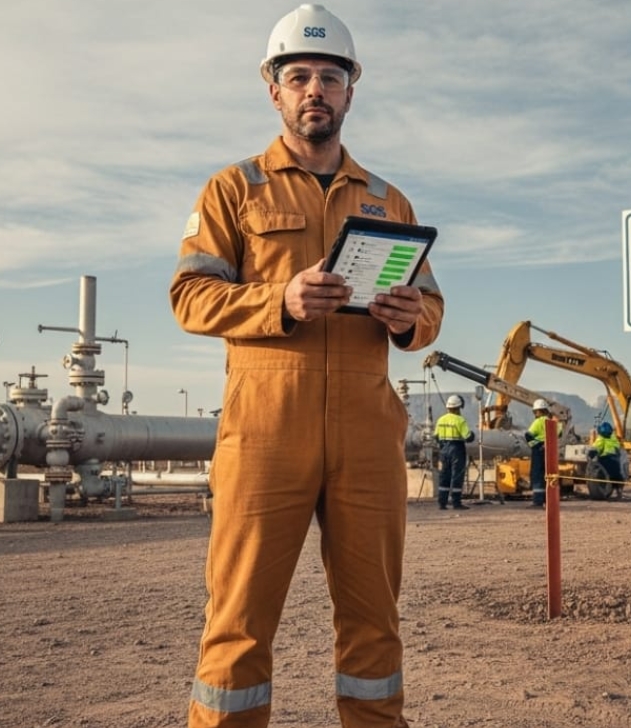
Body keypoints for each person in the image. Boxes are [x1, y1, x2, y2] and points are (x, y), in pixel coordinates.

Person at [168, 5, 444, 727]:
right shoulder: (234, 189)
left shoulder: (389, 202)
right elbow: (190, 297)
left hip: (367, 438)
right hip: (265, 435)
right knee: (238, 624)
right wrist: (280, 300)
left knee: (374, 624)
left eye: (329, 76)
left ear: (351, 91)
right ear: (274, 91)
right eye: (299, 77)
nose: (314, 89)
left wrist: (409, 318)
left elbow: (433, 309)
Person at [433, 394, 475, 510]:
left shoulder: (441, 419)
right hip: (457, 449)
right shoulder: (460, 420)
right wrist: (472, 435)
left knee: (444, 475)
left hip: (444, 449)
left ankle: (442, 503)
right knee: (457, 475)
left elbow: (436, 436)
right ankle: (456, 502)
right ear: (458, 408)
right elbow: (467, 436)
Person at [523, 398, 563, 508]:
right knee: (549, 475)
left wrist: (536, 445)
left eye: (535, 412)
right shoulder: (553, 422)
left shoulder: (538, 421)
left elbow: (528, 435)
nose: (535, 414)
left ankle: (538, 501)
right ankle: (549, 501)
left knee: (537, 475)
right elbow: (559, 434)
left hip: (539, 451)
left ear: (538, 411)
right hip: (551, 451)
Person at [589, 420, 625, 498]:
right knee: (617, 476)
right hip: (615, 460)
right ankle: (619, 490)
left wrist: (591, 454)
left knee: (602, 476)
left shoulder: (601, 438)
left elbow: (596, 448)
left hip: (604, 460)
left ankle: (605, 491)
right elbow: (618, 449)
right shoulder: (614, 438)